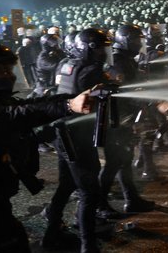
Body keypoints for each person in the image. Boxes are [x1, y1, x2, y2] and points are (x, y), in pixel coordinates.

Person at [0, 43, 94, 253]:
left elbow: (26, 106)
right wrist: (68, 106)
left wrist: (71, 99)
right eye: (1, 70)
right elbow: (16, 116)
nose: (8, 75)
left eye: (9, 69)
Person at [43, 28, 112, 253]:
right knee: (89, 192)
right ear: (89, 49)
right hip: (78, 136)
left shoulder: (67, 64)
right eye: (101, 48)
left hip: (62, 132)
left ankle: (52, 223)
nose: (104, 52)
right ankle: (87, 245)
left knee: (67, 183)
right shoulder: (92, 71)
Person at [97, 25, 155, 218]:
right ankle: (99, 204)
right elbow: (121, 91)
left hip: (124, 118)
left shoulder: (126, 59)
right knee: (114, 163)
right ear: (125, 41)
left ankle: (131, 199)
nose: (140, 44)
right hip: (116, 121)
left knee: (125, 160)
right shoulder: (118, 62)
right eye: (137, 40)